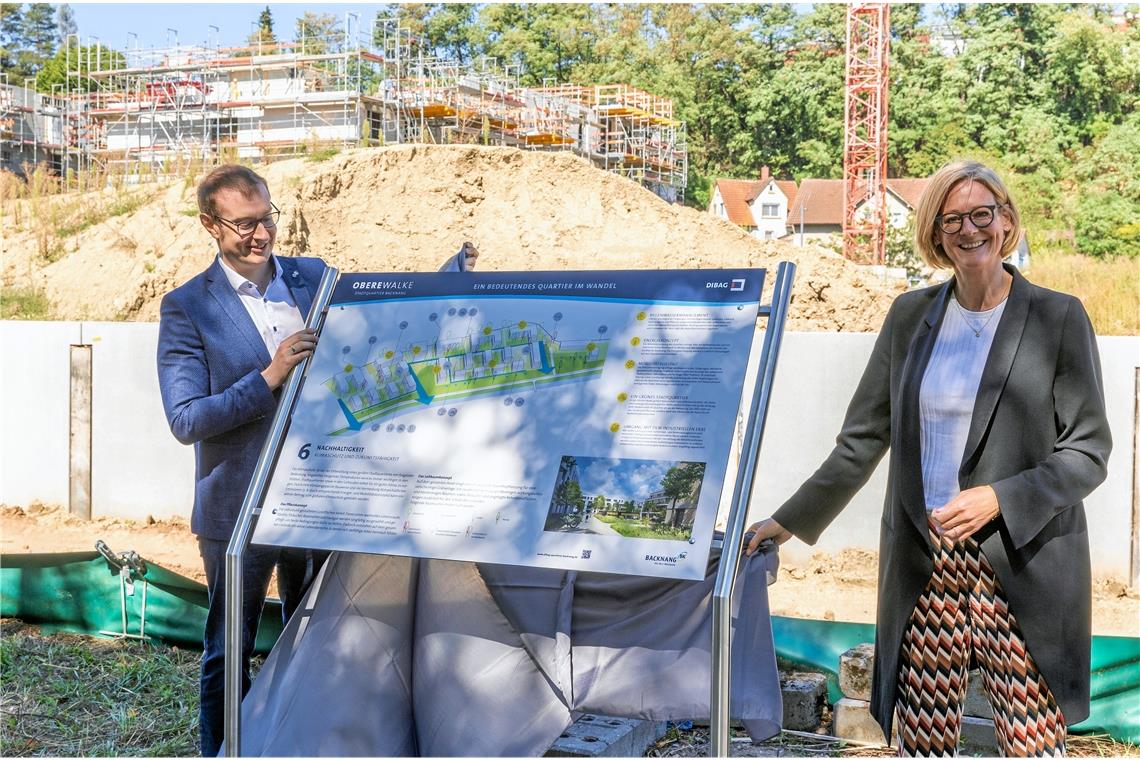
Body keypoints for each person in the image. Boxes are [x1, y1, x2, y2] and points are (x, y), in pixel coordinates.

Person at [746, 160, 1111, 757]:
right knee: (922, 741)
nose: (969, 230)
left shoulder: (1057, 316)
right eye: (951, 219)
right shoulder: (910, 317)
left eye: (981, 214)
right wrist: (785, 523)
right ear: (935, 234)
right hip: (927, 560)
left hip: (1018, 561)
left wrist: (1000, 497)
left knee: (1032, 742)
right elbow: (862, 440)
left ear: (1007, 221)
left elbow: (1089, 450)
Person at [157, 164, 328, 756]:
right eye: (244, 224)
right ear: (210, 225)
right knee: (230, 651)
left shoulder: (316, 280)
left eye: (267, 218)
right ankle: (224, 752)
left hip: (316, 502)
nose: (262, 235)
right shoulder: (187, 308)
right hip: (238, 511)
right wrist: (270, 375)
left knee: (315, 645)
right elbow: (187, 420)